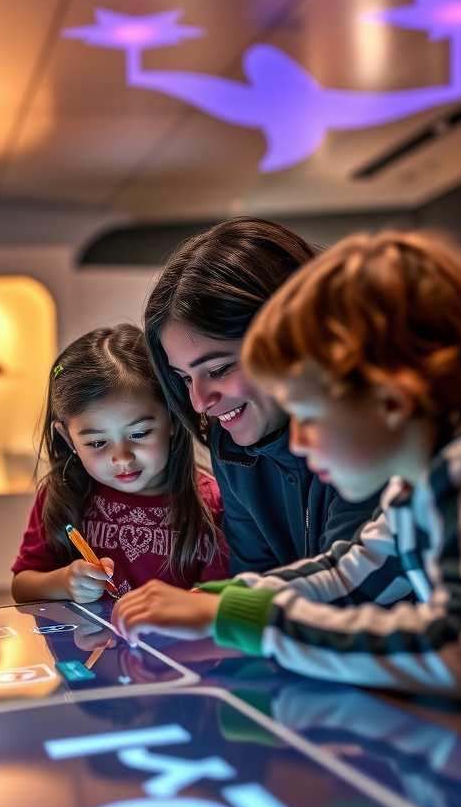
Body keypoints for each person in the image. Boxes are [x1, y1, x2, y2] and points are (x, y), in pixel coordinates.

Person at [113, 231, 461, 713]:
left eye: (308, 416)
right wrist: (224, 606)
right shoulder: (419, 478)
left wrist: (257, 622)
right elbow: (351, 575)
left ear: (391, 400)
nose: (300, 441)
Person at [143, 217, 380, 574]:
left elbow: (349, 585)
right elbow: (252, 576)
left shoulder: (375, 427)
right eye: (184, 379)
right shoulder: (232, 447)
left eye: (220, 369)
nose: (199, 402)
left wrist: (215, 610)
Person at [11, 324, 228, 604]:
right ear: (67, 437)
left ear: (173, 419)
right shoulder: (63, 494)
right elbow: (22, 586)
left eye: (139, 434)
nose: (122, 457)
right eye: (97, 443)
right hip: (88, 648)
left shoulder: (210, 504)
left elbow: (218, 599)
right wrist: (65, 582)